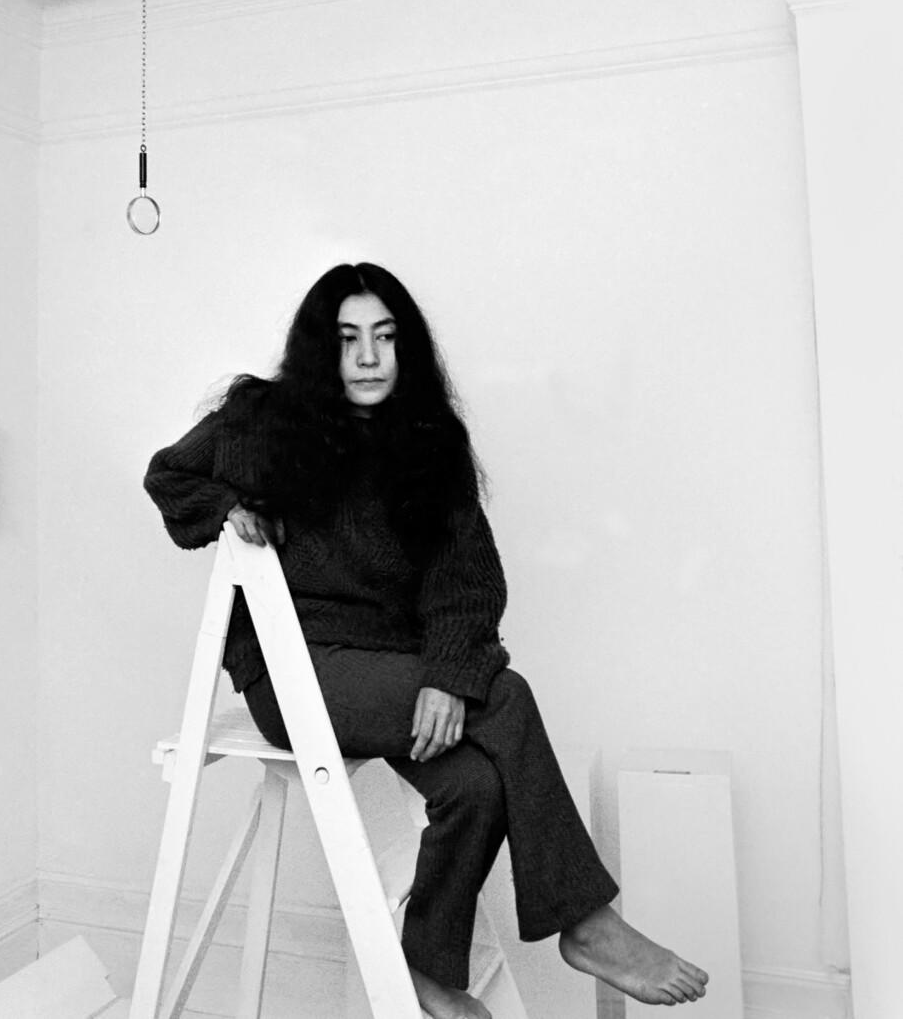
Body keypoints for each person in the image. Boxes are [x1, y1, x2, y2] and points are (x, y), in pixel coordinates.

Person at [144, 263, 709, 1018]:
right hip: (293, 673)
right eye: (348, 340)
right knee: (505, 694)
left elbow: (467, 583)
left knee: (475, 787)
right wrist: (227, 505)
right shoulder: (259, 423)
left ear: (406, 347)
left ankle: (430, 975)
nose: (369, 358)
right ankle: (587, 923)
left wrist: (446, 675)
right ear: (322, 351)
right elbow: (168, 476)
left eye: (384, 337)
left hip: (387, 671)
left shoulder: (430, 446)